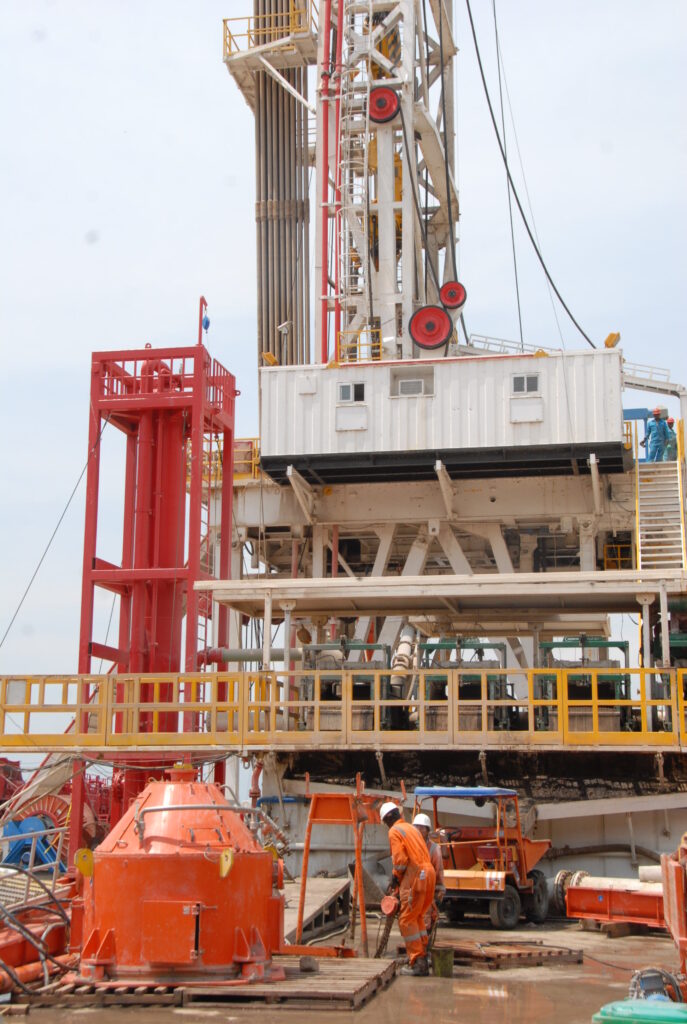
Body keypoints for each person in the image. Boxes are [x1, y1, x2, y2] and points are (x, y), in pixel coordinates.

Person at [380, 801, 436, 976]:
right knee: (417, 916)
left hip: (415, 876)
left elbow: (401, 860)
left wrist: (395, 879)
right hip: (428, 873)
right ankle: (422, 957)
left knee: (406, 920)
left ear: (388, 818)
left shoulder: (394, 831)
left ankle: (418, 962)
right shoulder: (411, 828)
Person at [412, 812, 446, 931]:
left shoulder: (434, 849)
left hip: (427, 893)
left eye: (421, 827)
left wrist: (439, 893)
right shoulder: (409, 846)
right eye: (416, 827)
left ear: (427, 830)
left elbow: (439, 872)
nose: (418, 830)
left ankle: (423, 947)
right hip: (412, 893)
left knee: (425, 925)